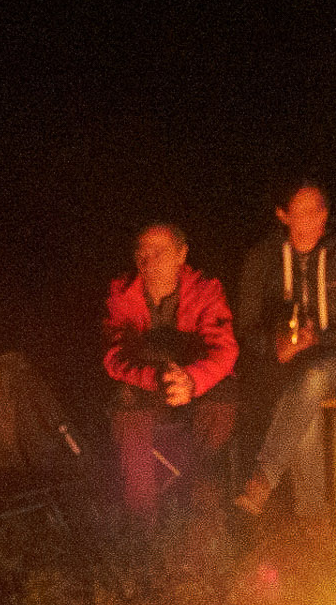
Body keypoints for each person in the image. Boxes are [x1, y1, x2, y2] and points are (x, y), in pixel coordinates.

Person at [232, 181, 336, 528]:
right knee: (304, 393)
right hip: (284, 367)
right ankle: (314, 520)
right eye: (302, 211)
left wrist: (318, 340)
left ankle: (264, 477)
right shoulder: (263, 259)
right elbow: (246, 328)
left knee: (312, 378)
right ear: (283, 215)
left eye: (319, 210)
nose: (313, 219)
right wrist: (277, 344)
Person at [102, 223, 240, 528]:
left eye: (160, 251)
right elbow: (114, 358)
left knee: (223, 398)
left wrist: (191, 380)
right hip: (151, 382)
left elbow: (224, 350)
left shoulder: (205, 290)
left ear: (182, 254)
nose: (149, 260)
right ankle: (143, 520)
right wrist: (155, 378)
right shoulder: (123, 294)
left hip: (195, 381)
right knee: (124, 404)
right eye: (143, 251)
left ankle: (203, 512)